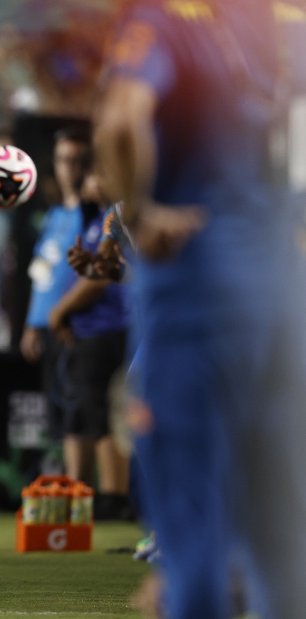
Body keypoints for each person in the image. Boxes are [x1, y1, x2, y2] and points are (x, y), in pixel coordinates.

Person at [96, 1, 306, 616]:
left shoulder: (168, 23)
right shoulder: (292, 28)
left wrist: (138, 213)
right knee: (284, 541)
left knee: (191, 538)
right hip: (286, 302)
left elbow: (120, 126)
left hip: (199, 293)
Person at [47, 173, 131, 520]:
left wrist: (59, 311)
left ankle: (118, 497)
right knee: (97, 413)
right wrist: (96, 267)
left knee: (108, 413)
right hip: (147, 328)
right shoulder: (115, 216)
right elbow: (113, 270)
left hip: (122, 328)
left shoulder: (166, 205)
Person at [19, 127, 92, 452]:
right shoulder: (55, 215)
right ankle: (67, 489)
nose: (70, 168)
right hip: (48, 327)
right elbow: (44, 274)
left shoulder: (95, 217)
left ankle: (92, 493)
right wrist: (32, 324)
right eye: (64, 160)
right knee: (58, 412)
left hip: (77, 326)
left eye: (77, 160)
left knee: (81, 413)